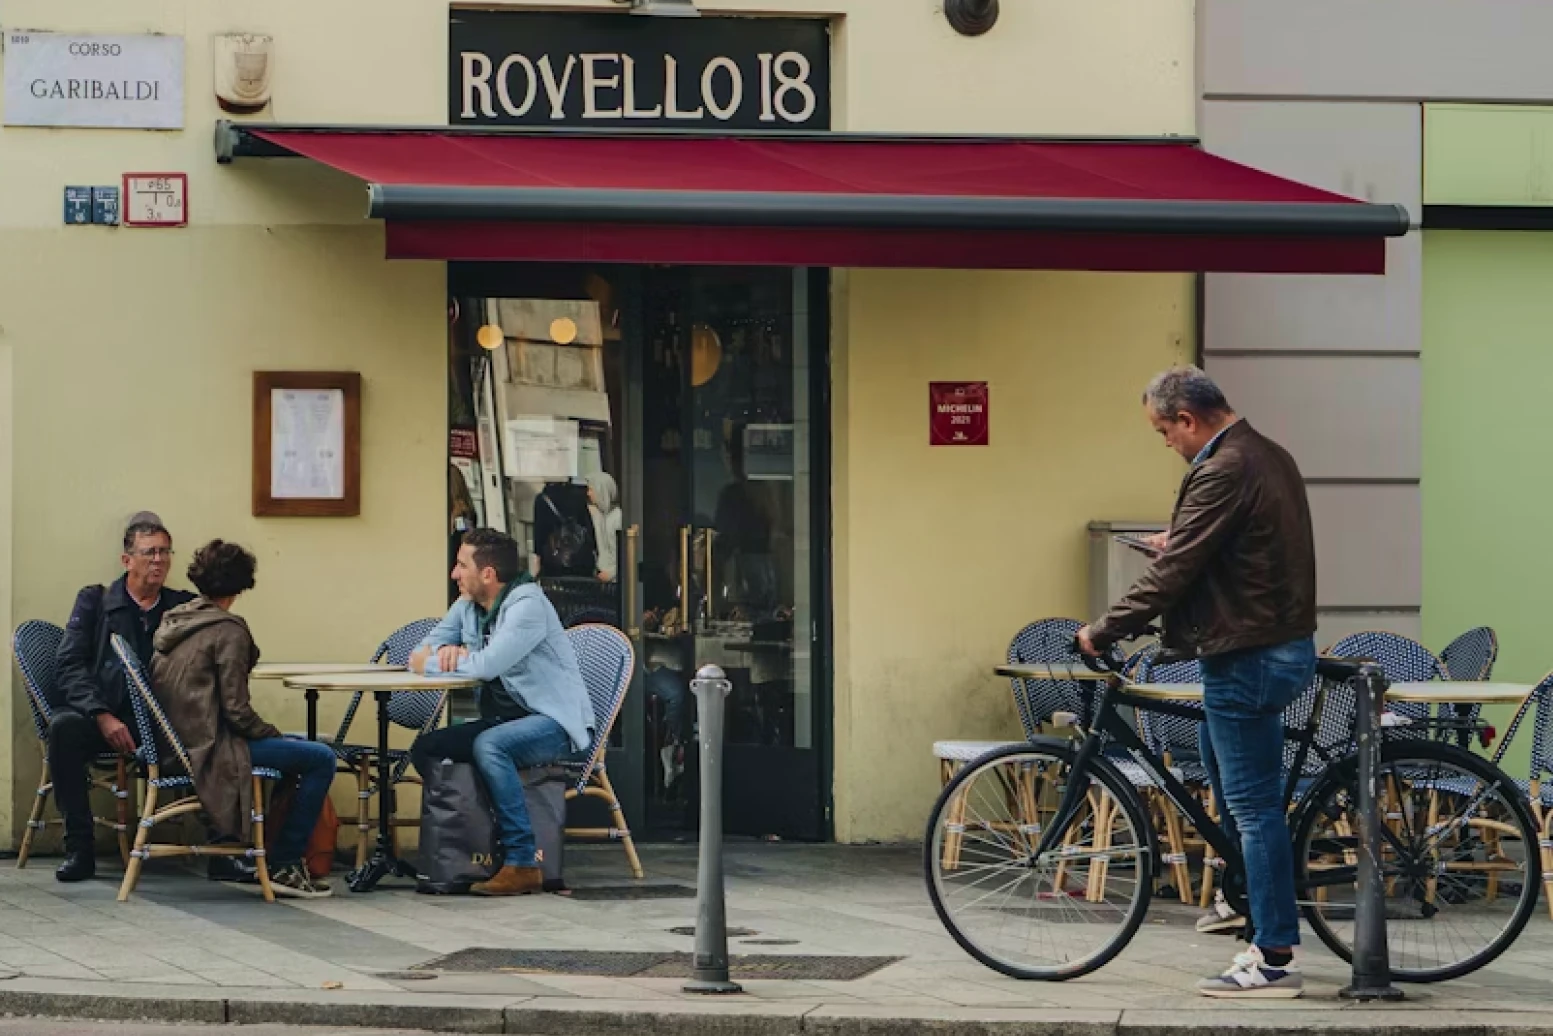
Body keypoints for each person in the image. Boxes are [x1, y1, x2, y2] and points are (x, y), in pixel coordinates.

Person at [1077, 366, 1316, 999]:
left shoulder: (1223, 467)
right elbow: (1235, 549)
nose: (1165, 443)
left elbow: (1176, 573)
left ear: (1188, 419)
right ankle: (1243, 898)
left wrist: (1103, 629)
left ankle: (1273, 956)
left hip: (1248, 655)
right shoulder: (1267, 455)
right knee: (1220, 765)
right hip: (1273, 642)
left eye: (1163, 432)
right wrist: (1179, 540)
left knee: (1253, 805)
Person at [409, 528, 595, 896]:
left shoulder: (527, 606)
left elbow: (486, 666)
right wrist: (446, 657)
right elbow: (419, 653)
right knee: (427, 749)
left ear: (488, 574)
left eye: (462, 565)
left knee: (491, 746)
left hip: (553, 723)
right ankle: (472, 845)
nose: (454, 574)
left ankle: (523, 862)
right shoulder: (466, 606)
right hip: (507, 721)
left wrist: (456, 659)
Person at [150, 540, 338, 899]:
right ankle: (284, 861)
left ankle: (260, 853)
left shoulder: (178, 619)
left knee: (296, 751)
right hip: (212, 747)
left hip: (175, 742)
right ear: (242, 585)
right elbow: (237, 711)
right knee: (319, 757)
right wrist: (271, 733)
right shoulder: (229, 631)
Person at [48, 512, 195, 883]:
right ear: (127, 560)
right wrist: (100, 714)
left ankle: (228, 846)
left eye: (164, 552)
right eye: (149, 552)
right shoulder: (95, 601)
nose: (159, 560)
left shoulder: (182, 607)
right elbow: (69, 666)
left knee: (216, 733)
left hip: (162, 720)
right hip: (108, 715)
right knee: (64, 729)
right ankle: (79, 848)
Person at [584, 470, 622, 583]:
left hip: (614, 580)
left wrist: (611, 573)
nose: (588, 493)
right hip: (602, 576)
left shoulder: (617, 518)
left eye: (591, 489)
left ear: (601, 490)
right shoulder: (600, 516)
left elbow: (622, 554)